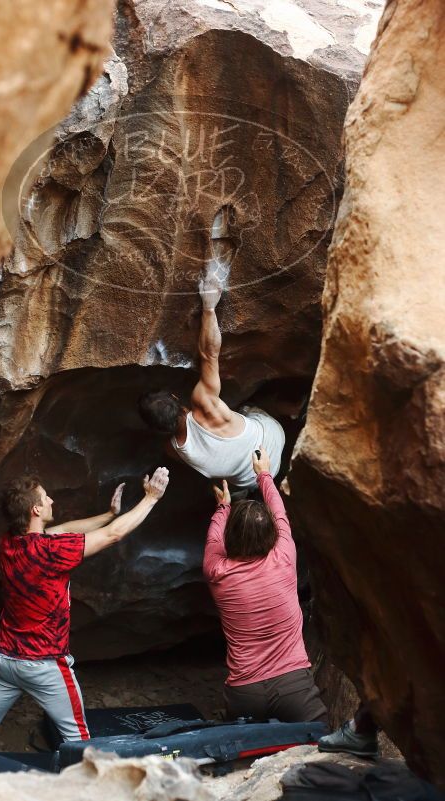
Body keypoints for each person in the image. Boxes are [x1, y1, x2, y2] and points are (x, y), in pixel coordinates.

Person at [0, 467, 169, 747]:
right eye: (46, 498)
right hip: (44, 665)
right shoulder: (50, 552)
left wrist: (108, 515)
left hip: (6, 660)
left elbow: (62, 531)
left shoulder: (10, 543)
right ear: (35, 509)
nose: (51, 501)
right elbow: (113, 536)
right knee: (79, 740)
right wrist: (151, 498)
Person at [203, 446, 327, 724]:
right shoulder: (284, 555)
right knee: (320, 743)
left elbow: (213, 539)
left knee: (243, 752)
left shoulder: (216, 570)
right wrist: (265, 475)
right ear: (272, 533)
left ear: (229, 538)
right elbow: (279, 512)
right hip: (294, 686)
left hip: (244, 693)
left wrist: (223, 507)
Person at [138, 268, 285, 493]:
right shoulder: (204, 401)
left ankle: (241, 497)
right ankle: (283, 408)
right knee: (248, 407)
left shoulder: (172, 449)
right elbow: (209, 354)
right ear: (176, 398)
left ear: (158, 429)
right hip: (273, 443)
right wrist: (208, 306)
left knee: (228, 480)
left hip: (252, 480)